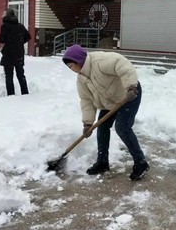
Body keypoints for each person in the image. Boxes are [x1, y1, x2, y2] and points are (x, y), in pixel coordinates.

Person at [62, 44, 150, 181]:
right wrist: (87, 123)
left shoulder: (100, 62)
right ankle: (102, 162)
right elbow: (86, 101)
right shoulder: (81, 79)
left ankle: (141, 163)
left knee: (122, 128)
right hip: (109, 102)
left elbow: (123, 65)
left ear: (78, 61)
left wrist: (131, 87)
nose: (71, 69)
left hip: (129, 94)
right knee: (102, 127)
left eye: (71, 65)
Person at [0, 8, 31, 96]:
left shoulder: (5, 26)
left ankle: (11, 95)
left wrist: (10, 41)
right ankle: (25, 93)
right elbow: (28, 36)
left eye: (3, 13)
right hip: (19, 53)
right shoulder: (20, 26)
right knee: (21, 74)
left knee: (9, 76)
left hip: (8, 54)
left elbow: (1, 40)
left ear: (7, 15)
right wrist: (19, 42)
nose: (2, 14)